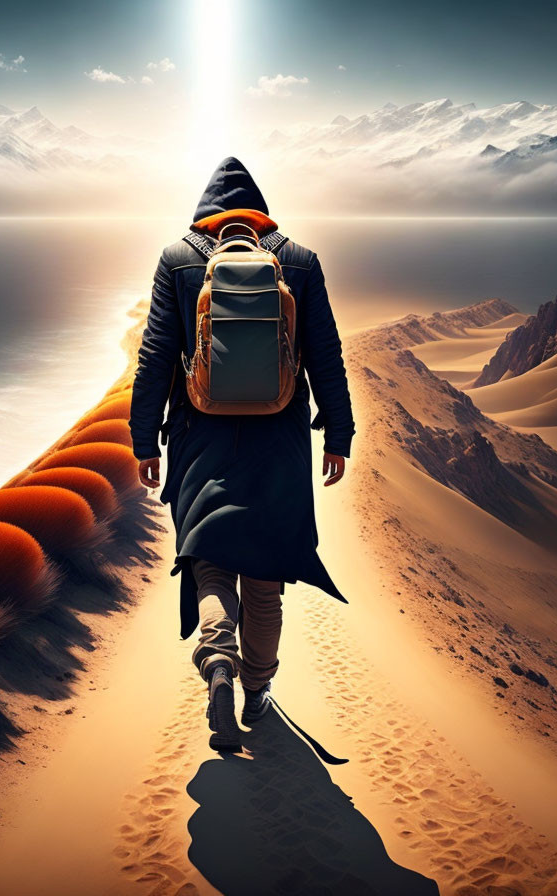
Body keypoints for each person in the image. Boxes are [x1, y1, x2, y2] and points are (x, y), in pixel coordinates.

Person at [128, 157, 355, 752]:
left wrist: (144, 441)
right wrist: (338, 434)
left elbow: (154, 357)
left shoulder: (177, 260)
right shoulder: (299, 261)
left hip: (200, 438)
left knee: (210, 559)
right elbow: (325, 354)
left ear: (206, 212)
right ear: (260, 210)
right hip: (278, 443)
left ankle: (218, 663)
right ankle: (257, 689)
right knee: (264, 574)